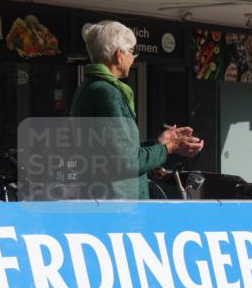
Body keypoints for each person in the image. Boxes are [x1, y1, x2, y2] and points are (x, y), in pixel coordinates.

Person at [71, 21, 202, 199]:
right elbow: (128, 162)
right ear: (119, 55)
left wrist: (159, 143)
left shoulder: (90, 87)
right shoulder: (107, 93)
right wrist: (170, 147)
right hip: (118, 204)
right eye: (132, 52)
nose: (133, 58)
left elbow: (119, 155)